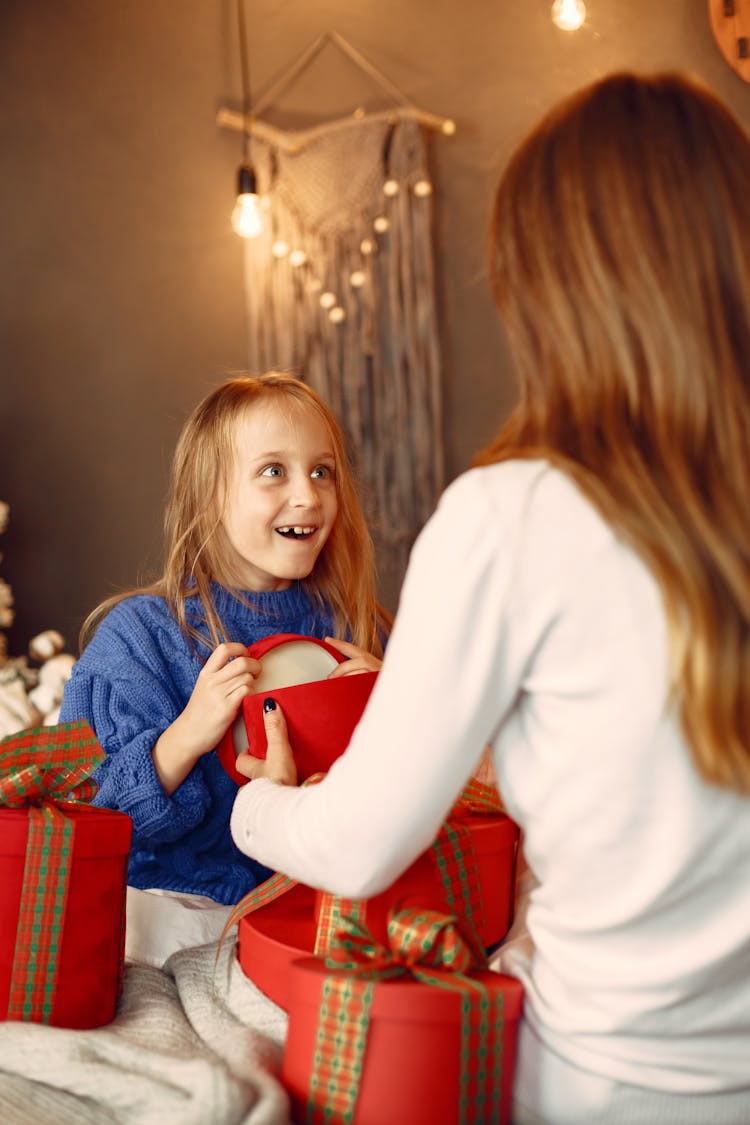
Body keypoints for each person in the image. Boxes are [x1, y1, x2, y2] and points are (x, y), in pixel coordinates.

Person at [229, 72, 750, 1125]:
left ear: (549, 286)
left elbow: (357, 843)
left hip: (608, 1084)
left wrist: (252, 802)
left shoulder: (516, 514)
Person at [59, 372, 387, 967]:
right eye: (273, 472)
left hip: (318, 914)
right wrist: (186, 736)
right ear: (211, 493)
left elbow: (423, 801)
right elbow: (83, 820)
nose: (308, 496)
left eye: (322, 471)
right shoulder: (140, 640)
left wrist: (392, 705)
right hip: (174, 913)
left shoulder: (359, 630)